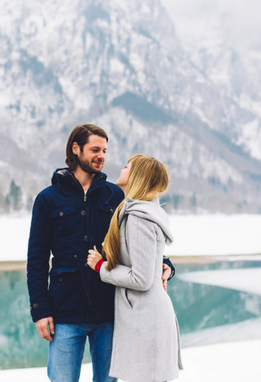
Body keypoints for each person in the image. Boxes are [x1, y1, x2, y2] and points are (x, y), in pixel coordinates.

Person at [27, 125, 175, 382]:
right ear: (76, 149)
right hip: (64, 312)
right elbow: (37, 259)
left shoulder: (116, 196)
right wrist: (40, 311)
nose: (102, 156)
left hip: (109, 311)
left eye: (105, 150)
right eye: (95, 149)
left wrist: (164, 264)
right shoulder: (48, 199)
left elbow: (137, 242)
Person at [87, 154, 183, 382]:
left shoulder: (138, 217)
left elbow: (140, 279)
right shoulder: (143, 212)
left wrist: (101, 266)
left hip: (146, 321)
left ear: (137, 176)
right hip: (146, 316)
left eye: (126, 167)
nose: (120, 169)